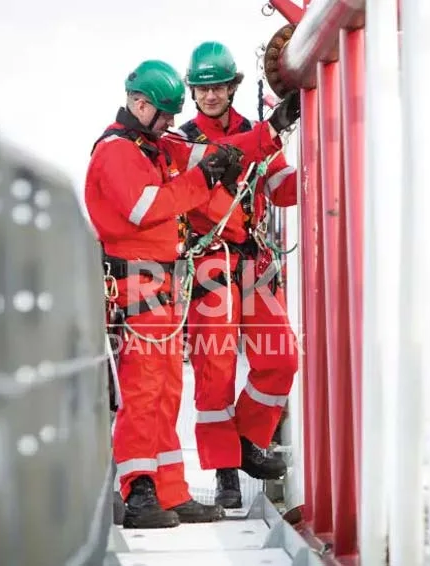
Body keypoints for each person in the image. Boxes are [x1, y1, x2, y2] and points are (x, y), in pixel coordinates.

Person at [84, 59, 286, 528]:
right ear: (139, 104)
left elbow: (219, 149)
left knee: (167, 391)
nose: (172, 122)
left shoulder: (154, 148)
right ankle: (139, 494)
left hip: (161, 285)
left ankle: (169, 491)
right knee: (144, 392)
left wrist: (272, 130)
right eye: (165, 114)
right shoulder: (117, 153)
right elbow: (145, 208)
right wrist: (204, 179)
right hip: (137, 286)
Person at [179, 41, 300, 509]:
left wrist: (315, 156)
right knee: (215, 371)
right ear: (192, 91)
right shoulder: (183, 140)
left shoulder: (258, 134)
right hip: (209, 262)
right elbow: (224, 155)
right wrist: (271, 132)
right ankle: (225, 468)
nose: (210, 95)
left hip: (253, 260)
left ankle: (250, 440)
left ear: (233, 87)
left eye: (218, 87)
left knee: (282, 358)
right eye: (202, 88)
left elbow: (282, 190)